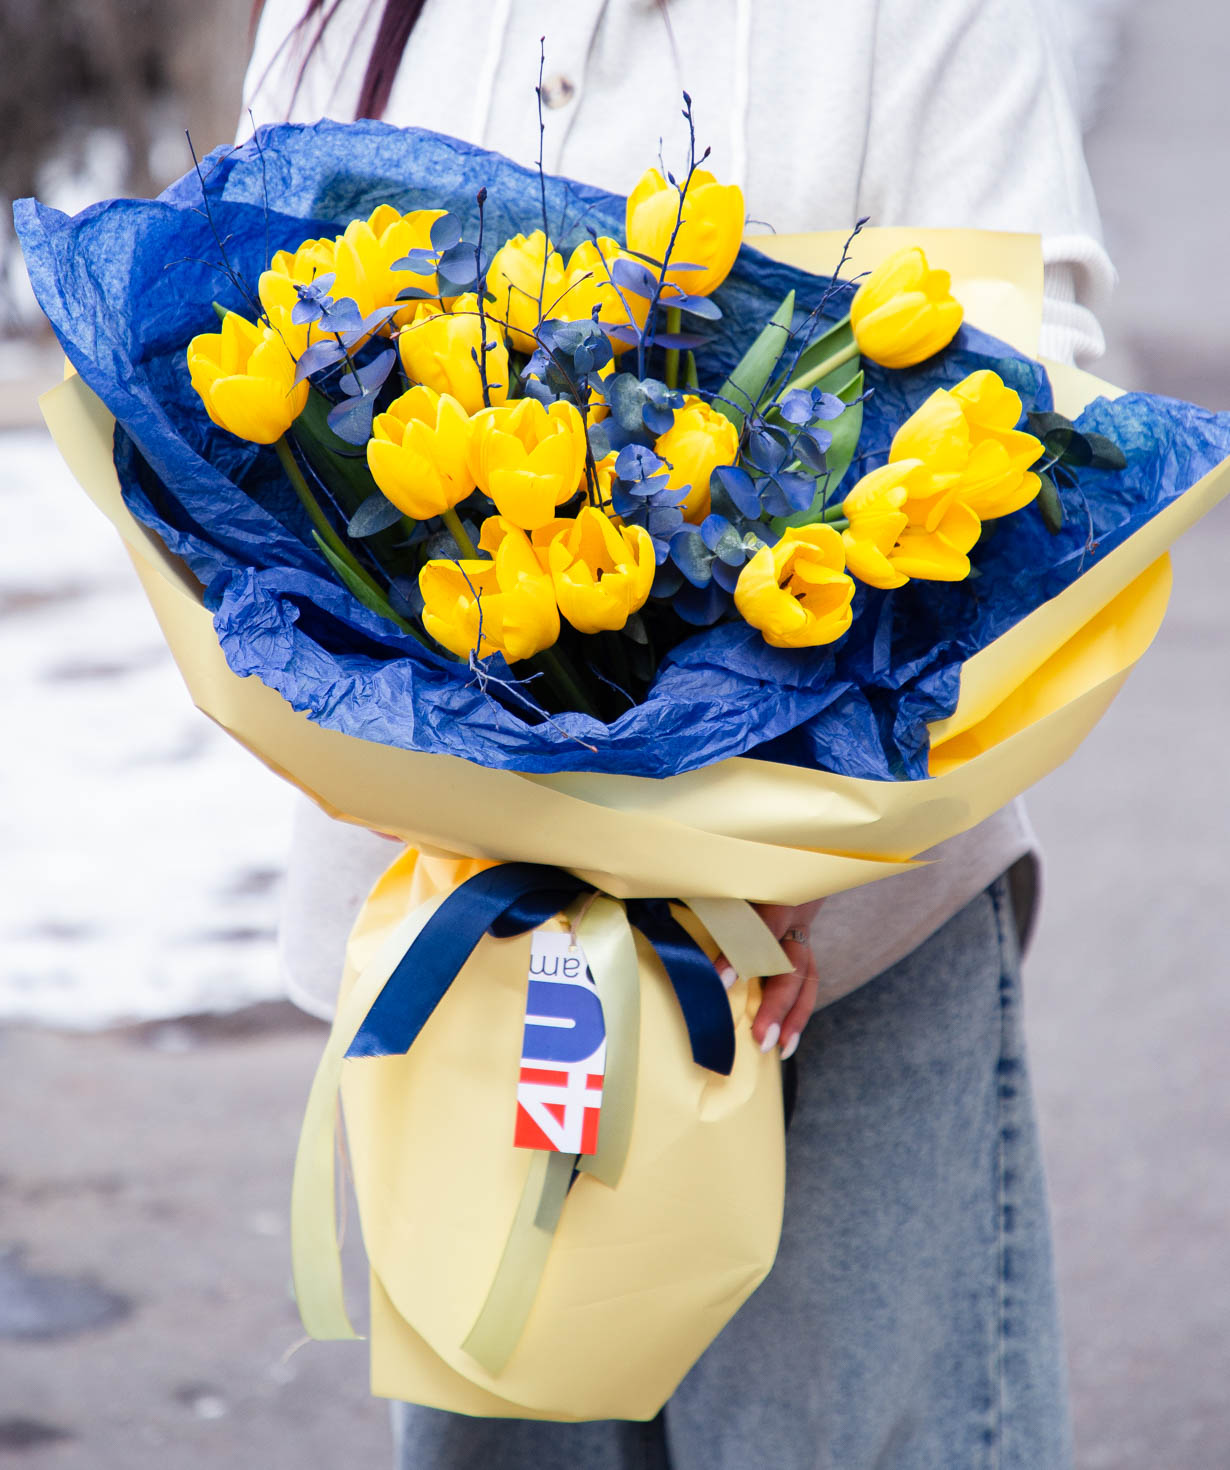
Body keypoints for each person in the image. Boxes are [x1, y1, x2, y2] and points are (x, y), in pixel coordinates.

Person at [241, 3, 1114, 1465]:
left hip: (835, 977)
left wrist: (788, 837)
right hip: (464, 977)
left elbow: (1038, 396)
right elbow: (247, 423)